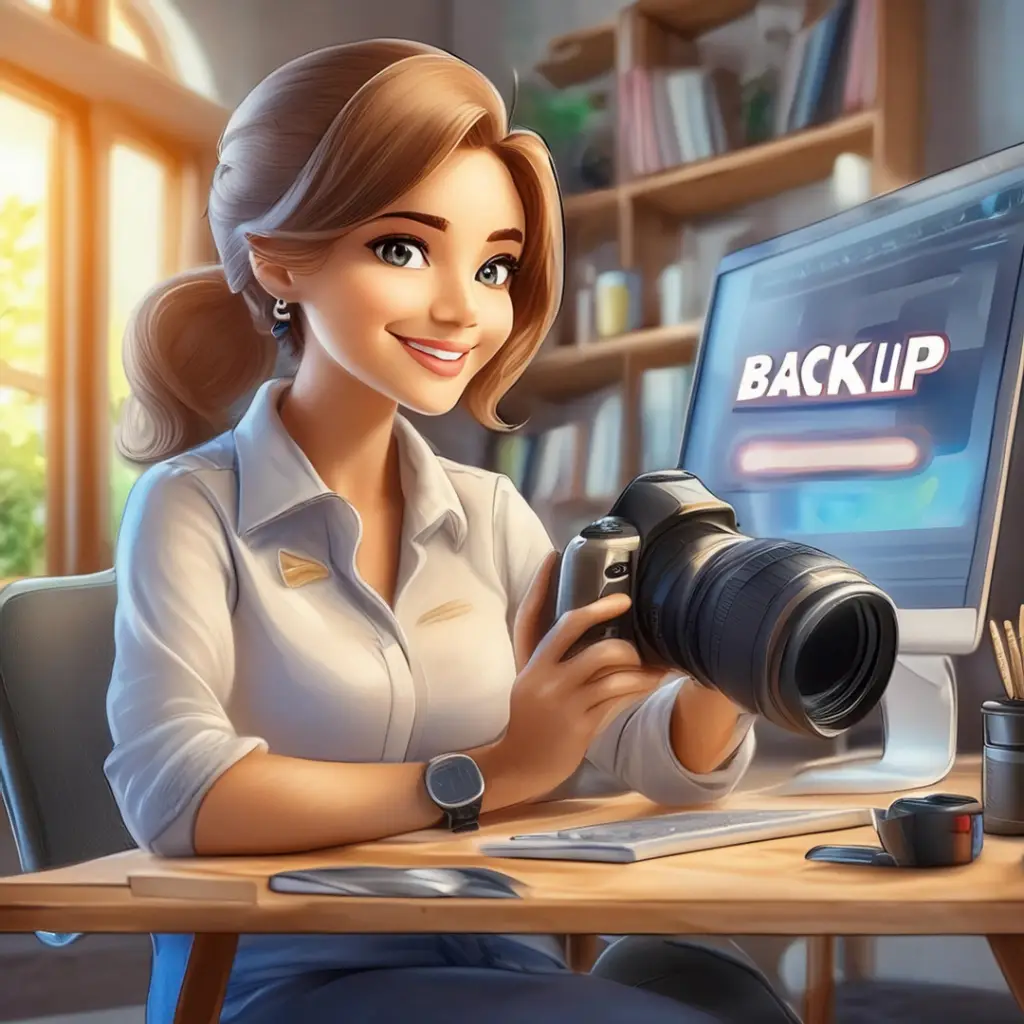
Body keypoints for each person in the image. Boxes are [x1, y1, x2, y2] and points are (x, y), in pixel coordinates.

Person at [104, 38, 776, 1024]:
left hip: (508, 952)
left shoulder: (489, 513)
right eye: (403, 249)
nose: (465, 308)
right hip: (292, 982)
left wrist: (723, 642)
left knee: (741, 1002)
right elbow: (181, 794)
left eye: (497, 265)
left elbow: (644, 746)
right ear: (279, 257)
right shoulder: (191, 506)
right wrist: (491, 774)